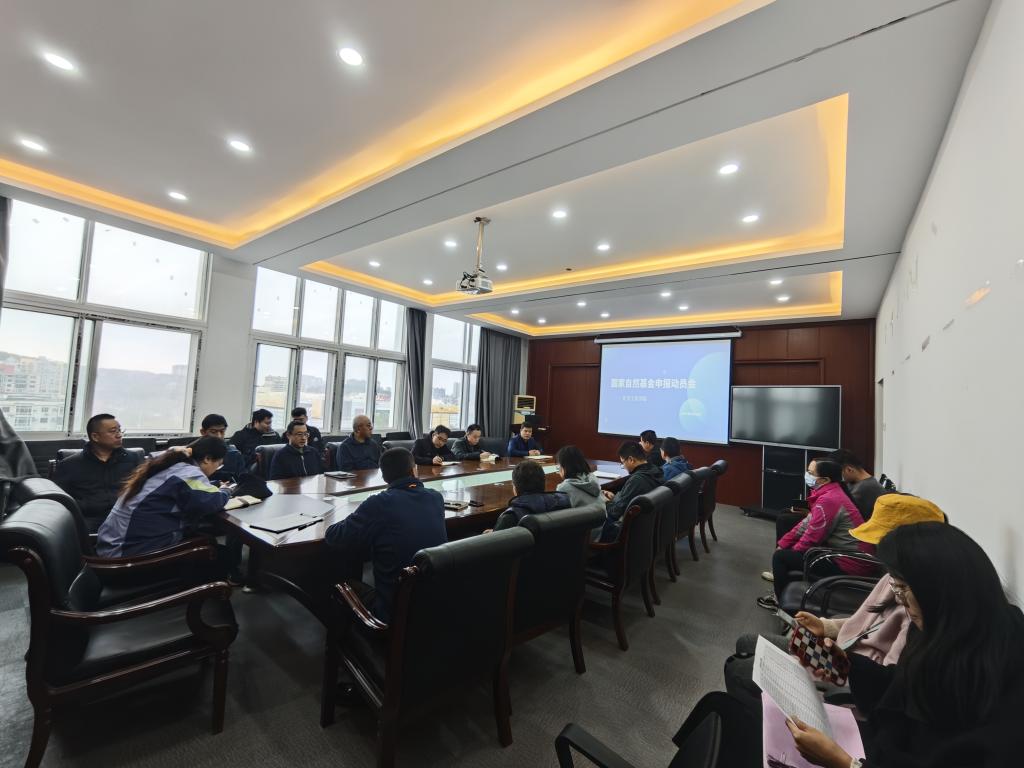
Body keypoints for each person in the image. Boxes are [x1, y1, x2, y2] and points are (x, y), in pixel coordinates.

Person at [783, 523, 1024, 768]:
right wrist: (847, 665)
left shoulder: (1005, 670)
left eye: (903, 588)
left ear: (938, 590)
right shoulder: (937, 631)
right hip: (882, 745)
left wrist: (844, 764)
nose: (900, 600)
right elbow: (902, 689)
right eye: (896, 586)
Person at [724, 494, 946, 718]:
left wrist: (837, 665)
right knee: (747, 642)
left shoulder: (917, 608)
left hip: (846, 675)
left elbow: (886, 685)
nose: (876, 548)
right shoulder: (892, 577)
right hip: (840, 652)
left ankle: (769, 726)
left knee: (740, 670)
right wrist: (825, 626)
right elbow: (863, 623)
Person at [324, 448, 447, 623]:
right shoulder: (435, 497)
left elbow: (335, 537)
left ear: (384, 477)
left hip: (392, 614)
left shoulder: (379, 503)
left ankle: (339, 637)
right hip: (434, 605)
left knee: (340, 583)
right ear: (413, 470)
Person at [757, 457, 872, 611]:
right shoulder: (831, 493)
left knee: (781, 557)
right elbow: (806, 524)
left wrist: (788, 551)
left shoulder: (829, 500)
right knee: (784, 548)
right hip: (841, 554)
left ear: (824, 480)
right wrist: (783, 544)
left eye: (811, 473)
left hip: (849, 564)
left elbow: (812, 537)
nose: (807, 475)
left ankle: (780, 604)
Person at [96, 437, 232, 560]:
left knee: (206, 540)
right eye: (219, 464)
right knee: (219, 556)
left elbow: (184, 489)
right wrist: (226, 491)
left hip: (111, 548)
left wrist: (214, 485)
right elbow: (209, 503)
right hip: (129, 558)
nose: (217, 469)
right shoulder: (189, 473)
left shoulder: (168, 465)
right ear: (207, 459)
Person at [53, 413, 142, 532]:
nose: (119, 435)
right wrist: (86, 505)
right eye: (113, 431)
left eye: (120, 430)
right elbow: (60, 499)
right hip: (90, 519)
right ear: (95, 436)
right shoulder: (69, 465)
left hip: (126, 516)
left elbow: (145, 489)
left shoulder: (132, 459)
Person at [599, 440, 663, 542]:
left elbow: (615, 512)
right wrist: (615, 498)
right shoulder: (656, 470)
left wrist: (605, 501)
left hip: (628, 531)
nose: (623, 466)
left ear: (631, 460)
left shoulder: (637, 480)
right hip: (648, 527)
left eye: (623, 462)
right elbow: (628, 498)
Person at [492, 459, 571, 531]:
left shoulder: (510, 517)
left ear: (515, 489)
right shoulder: (564, 503)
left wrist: (492, 534)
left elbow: (496, 541)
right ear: (544, 485)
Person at [555, 444, 606, 540]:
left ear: (564, 467)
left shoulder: (564, 488)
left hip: (583, 539)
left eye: (559, 466)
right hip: (600, 530)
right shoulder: (592, 478)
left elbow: (558, 518)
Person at [830, 448, 888, 521]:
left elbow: (842, 514)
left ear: (849, 470)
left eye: (837, 473)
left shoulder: (865, 487)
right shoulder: (856, 482)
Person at [199, 413, 246, 484]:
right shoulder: (193, 452)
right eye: (213, 432)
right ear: (203, 432)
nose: (219, 436)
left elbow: (243, 481)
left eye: (222, 431)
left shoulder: (234, 454)